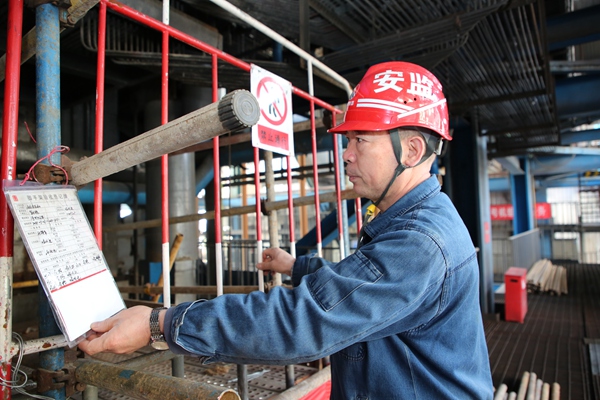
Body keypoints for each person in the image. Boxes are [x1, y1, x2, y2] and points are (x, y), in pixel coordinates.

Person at [78, 61, 494, 399]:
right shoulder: (414, 220)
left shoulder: (420, 243)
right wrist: (297, 266)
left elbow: (304, 322)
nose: (346, 155)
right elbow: (360, 285)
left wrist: (161, 324)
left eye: (360, 140)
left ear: (412, 150)